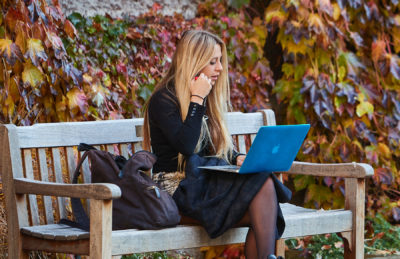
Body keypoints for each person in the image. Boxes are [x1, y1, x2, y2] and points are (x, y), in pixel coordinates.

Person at [143, 30, 291, 259]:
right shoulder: (164, 99)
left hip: (202, 187)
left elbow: (215, 145)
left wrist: (237, 158)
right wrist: (197, 99)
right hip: (174, 193)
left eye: (220, 60)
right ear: (194, 62)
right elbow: (187, 147)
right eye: (212, 62)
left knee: (262, 195)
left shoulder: (207, 99)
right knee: (263, 203)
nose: (220, 68)